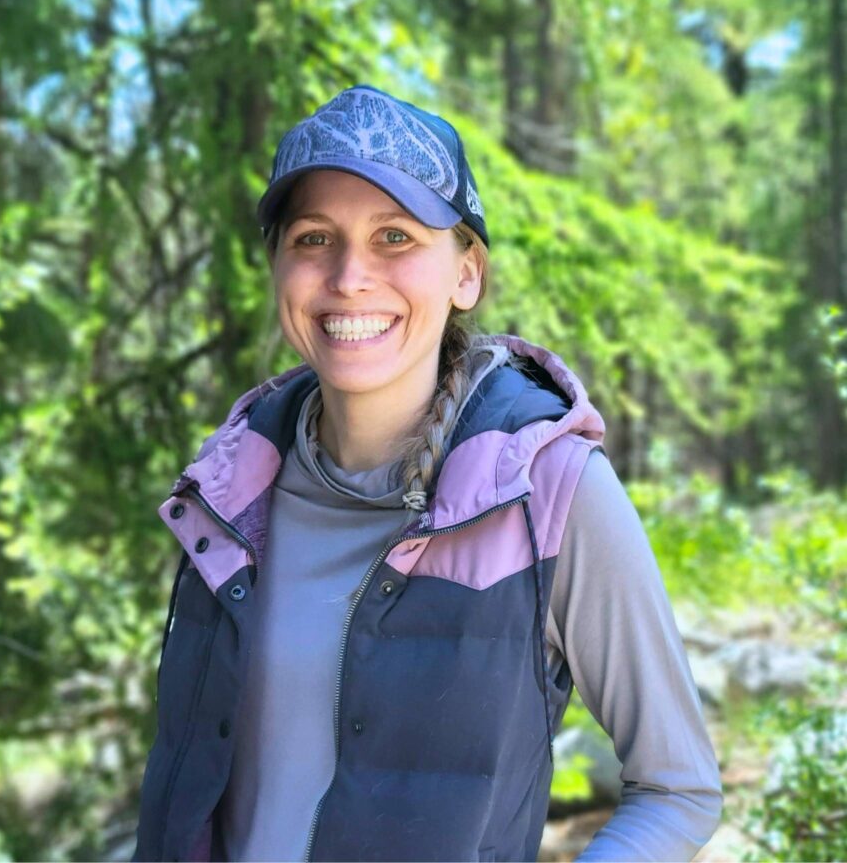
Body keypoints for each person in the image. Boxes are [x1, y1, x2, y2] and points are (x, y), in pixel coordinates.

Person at [132, 84, 723, 863]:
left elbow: (678, 789)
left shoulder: (547, 494)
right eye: (313, 238)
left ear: (467, 273)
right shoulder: (228, 493)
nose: (349, 276)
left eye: (396, 238)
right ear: (278, 265)